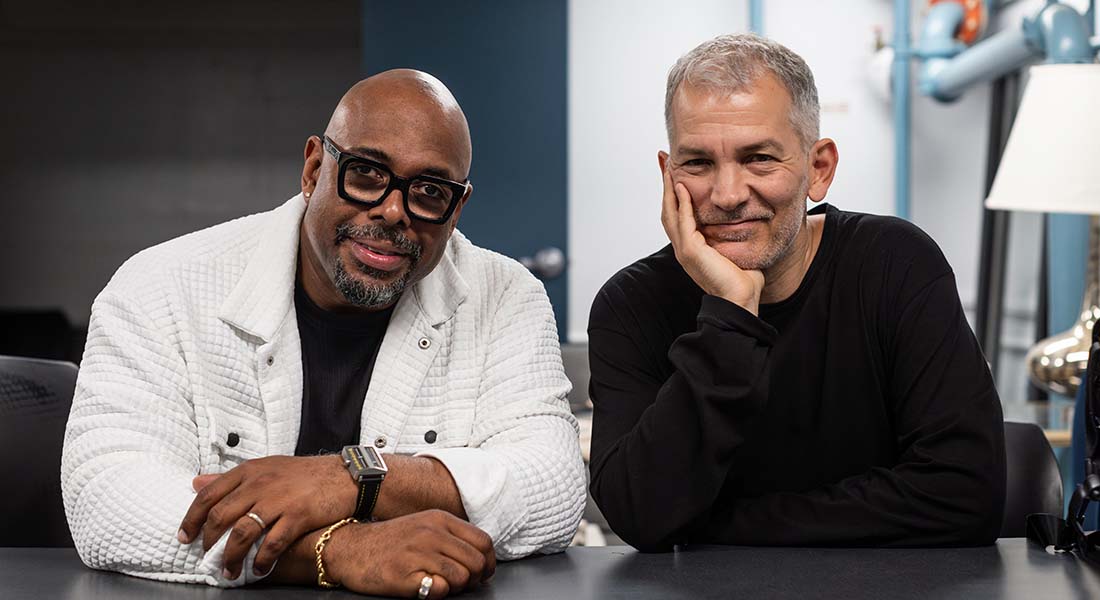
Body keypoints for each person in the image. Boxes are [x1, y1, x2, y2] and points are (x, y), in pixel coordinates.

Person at [62, 69, 586, 598]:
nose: (393, 210)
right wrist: (338, 550)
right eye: (366, 173)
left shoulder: (504, 294)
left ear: (457, 209)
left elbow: (554, 485)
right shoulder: (161, 286)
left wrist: (350, 480)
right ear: (314, 168)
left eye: (430, 191)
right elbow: (107, 497)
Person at [587, 34, 1005, 552]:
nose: (728, 195)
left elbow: (967, 492)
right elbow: (639, 513)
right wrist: (730, 315)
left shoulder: (895, 264)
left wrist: (718, 525)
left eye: (759, 158)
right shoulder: (630, 305)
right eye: (697, 163)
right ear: (668, 173)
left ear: (819, 169)